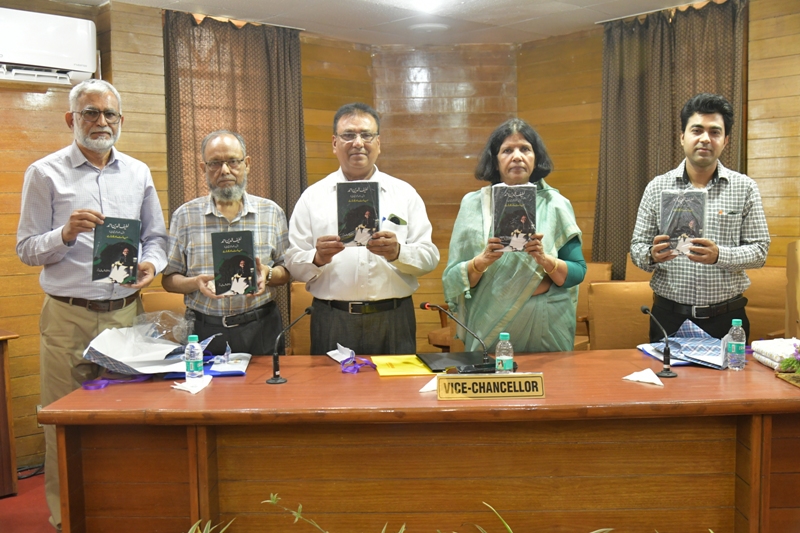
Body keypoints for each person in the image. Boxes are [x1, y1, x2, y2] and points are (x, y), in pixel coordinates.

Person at [15, 79, 168, 531]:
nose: (101, 122)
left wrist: (151, 265)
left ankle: (123, 511)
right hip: (67, 314)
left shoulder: (138, 172)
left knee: (128, 419)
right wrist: (64, 233)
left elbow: (156, 238)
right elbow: (26, 248)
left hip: (126, 314)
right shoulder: (44, 173)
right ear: (72, 119)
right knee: (62, 421)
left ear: (120, 121)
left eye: (110, 114)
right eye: (91, 113)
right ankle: (68, 519)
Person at [285, 103, 439, 355]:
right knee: (330, 394)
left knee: (394, 394)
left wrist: (398, 252)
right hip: (332, 319)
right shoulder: (312, 197)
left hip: (393, 318)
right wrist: (316, 257)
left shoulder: (405, 194)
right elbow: (292, 260)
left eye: (366, 135)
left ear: (378, 142)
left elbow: (429, 257)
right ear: (334, 143)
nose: (358, 142)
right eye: (348, 135)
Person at [630, 93, 770, 342]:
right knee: (668, 382)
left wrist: (719, 256)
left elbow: (760, 251)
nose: (705, 139)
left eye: (715, 132)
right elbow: (637, 248)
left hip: (727, 319)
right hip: (669, 316)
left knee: (731, 382)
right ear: (683, 136)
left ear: (725, 140)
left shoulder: (744, 187)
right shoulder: (657, 187)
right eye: (697, 130)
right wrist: (652, 255)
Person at [442, 118, 586, 353]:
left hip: (546, 321)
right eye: (507, 150)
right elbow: (453, 276)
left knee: (551, 388)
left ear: (535, 157)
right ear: (495, 160)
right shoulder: (473, 205)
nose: (517, 156)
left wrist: (544, 259)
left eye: (525, 149)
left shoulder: (556, 204)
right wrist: (482, 261)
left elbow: (577, 272)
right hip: (489, 320)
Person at [162, 130, 290, 355]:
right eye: (215, 163)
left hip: (261, 327)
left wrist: (268, 274)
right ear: (203, 168)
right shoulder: (184, 216)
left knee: (267, 390)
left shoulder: (272, 212)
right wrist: (196, 283)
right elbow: (169, 279)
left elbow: (287, 271)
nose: (225, 170)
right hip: (204, 330)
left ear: (247, 164)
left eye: (233, 161)